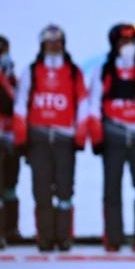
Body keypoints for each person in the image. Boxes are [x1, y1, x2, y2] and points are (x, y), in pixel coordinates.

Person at [87, 23, 135, 252]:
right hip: (113, 139)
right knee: (111, 189)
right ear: (114, 44)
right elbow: (93, 107)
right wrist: (97, 137)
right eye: (123, 42)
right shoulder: (103, 71)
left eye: (131, 42)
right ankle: (113, 237)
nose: (127, 46)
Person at [11, 26, 88, 251]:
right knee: (41, 190)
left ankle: (64, 236)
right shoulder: (32, 71)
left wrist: (81, 137)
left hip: (65, 139)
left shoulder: (73, 71)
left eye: (57, 43)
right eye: (49, 43)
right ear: (42, 45)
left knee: (65, 190)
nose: (54, 47)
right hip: (39, 139)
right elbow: (20, 105)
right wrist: (21, 137)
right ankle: (44, 237)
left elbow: (82, 104)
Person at [0, 35, 20, 247]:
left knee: (10, 186)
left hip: (10, 137)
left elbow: (16, 104)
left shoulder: (11, 76)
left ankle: (11, 229)